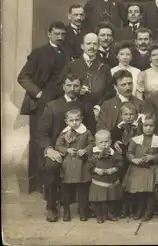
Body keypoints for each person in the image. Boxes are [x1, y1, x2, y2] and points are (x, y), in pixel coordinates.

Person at [18, 21, 72, 191]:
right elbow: (23, 77)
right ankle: (41, 184)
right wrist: (38, 93)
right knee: (40, 140)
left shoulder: (67, 52)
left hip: (60, 102)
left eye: (63, 34)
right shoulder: (38, 53)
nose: (60, 37)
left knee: (59, 137)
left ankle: (58, 182)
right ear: (49, 34)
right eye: (57, 34)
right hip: (41, 102)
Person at [37, 73, 96, 222]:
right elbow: (42, 132)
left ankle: (86, 205)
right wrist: (49, 149)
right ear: (63, 86)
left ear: (81, 87)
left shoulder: (86, 106)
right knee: (51, 166)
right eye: (69, 85)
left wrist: (87, 149)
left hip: (81, 149)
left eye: (76, 85)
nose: (72, 89)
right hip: (58, 149)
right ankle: (51, 206)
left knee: (95, 163)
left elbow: (92, 130)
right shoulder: (52, 106)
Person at [59, 32, 114, 119]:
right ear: (82, 46)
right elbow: (59, 87)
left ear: (99, 46)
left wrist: (98, 107)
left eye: (95, 44)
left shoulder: (105, 67)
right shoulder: (71, 66)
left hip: (97, 112)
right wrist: (75, 91)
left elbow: (110, 92)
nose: (92, 47)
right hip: (74, 112)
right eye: (88, 44)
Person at [123, 113, 158, 221]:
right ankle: (140, 210)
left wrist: (153, 157)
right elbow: (129, 152)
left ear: (155, 127)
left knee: (149, 192)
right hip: (137, 168)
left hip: (150, 168)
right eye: (146, 126)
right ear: (141, 126)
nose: (148, 128)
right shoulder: (135, 140)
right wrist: (134, 159)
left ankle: (149, 211)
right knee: (139, 192)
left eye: (151, 126)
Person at [55, 109, 94, 222]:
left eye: (77, 120)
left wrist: (85, 150)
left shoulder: (86, 132)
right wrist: (67, 150)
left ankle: (83, 211)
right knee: (66, 190)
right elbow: (58, 145)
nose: (74, 122)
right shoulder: (64, 133)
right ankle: (66, 211)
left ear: (81, 120)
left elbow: (92, 143)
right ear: (66, 121)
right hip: (67, 165)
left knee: (82, 190)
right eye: (71, 120)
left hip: (82, 165)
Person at [109, 102, 141, 218]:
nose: (129, 117)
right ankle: (122, 208)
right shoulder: (117, 129)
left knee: (133, 183)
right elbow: (110, 140)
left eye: (131, 114)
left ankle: (133, 208)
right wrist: (114, 142)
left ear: (136, 115)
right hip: (122, 160)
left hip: (134, 158)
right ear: (121, 116)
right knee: (121, 183)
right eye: (126, 114)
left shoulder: (138, 128)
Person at [88, 130, 124, 224]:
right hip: (98, 181)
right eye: (101, 142)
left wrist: (114, 169)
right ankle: (99, 215)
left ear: (111, 141)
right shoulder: (93, 154)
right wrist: (96, 170)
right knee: (98, 200)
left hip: (111, 180)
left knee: (111, 199)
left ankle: (110, 214)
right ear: (96, 143)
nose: (104, 144)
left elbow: (120, 162)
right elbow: (89, 165)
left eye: (106, 141)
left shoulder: (114, 153)